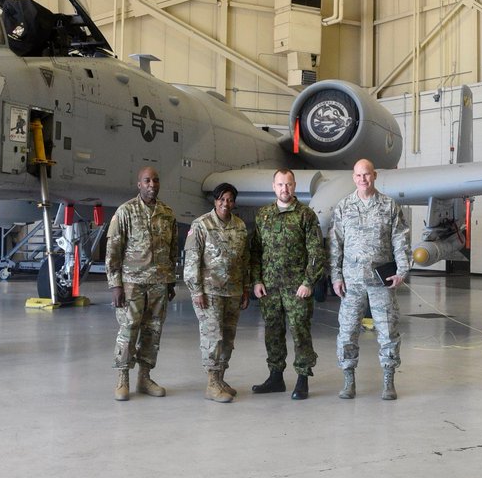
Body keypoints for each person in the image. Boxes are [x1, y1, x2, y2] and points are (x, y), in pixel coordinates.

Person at [330, 158, 411, 401]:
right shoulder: (344, 206)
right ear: (353, 178)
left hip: (381, 281)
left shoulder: (389, 205)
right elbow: (335, 244)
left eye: (366, 174)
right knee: (347, 332)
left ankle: (388, 380)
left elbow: (400, 240)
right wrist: (336, 276)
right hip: (352, 281)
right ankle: (348, 379)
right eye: (358, 175)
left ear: (374, 175)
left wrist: (402, 271)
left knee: (387, 331)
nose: (363, 179)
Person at [249, 168, 326, 400]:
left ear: (295, 186)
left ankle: (302, 379)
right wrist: (256, 280)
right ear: (274, 187)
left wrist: (308, 282)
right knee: (272, 332)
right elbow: (256, 251)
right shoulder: (263, 215)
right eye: (281, 184)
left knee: (300, 332)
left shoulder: (305, 215)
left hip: (297, 288)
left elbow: (316, 252)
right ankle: (276, 377)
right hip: (270, 287)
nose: (285, 188)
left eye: (289, 184)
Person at [106, 166, 178, 401]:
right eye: (147, 181)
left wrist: (170, 281)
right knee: (128, 330)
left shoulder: (167, 213)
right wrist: (115, 285)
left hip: (159, 283)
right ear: (139, 184)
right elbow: (113, 250)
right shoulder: (125, 211)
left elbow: (172, 250)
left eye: (155, 180)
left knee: (153, 332)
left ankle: (144, 378)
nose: (152, 185)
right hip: (132, 284)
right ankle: (123, 378)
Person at [184, 182, 252, 403]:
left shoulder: (240, 226)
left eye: (230, 200)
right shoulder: (201, 224)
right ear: (215, 201)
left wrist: (245, 289)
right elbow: (191, 260)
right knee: (213, 337)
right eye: (222, 199)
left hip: (233, 292)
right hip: (209, 292)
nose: (226, 204)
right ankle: (211, 384)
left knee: (228, 338)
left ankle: (220, 379)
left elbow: (244, 260)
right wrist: (196, 291)